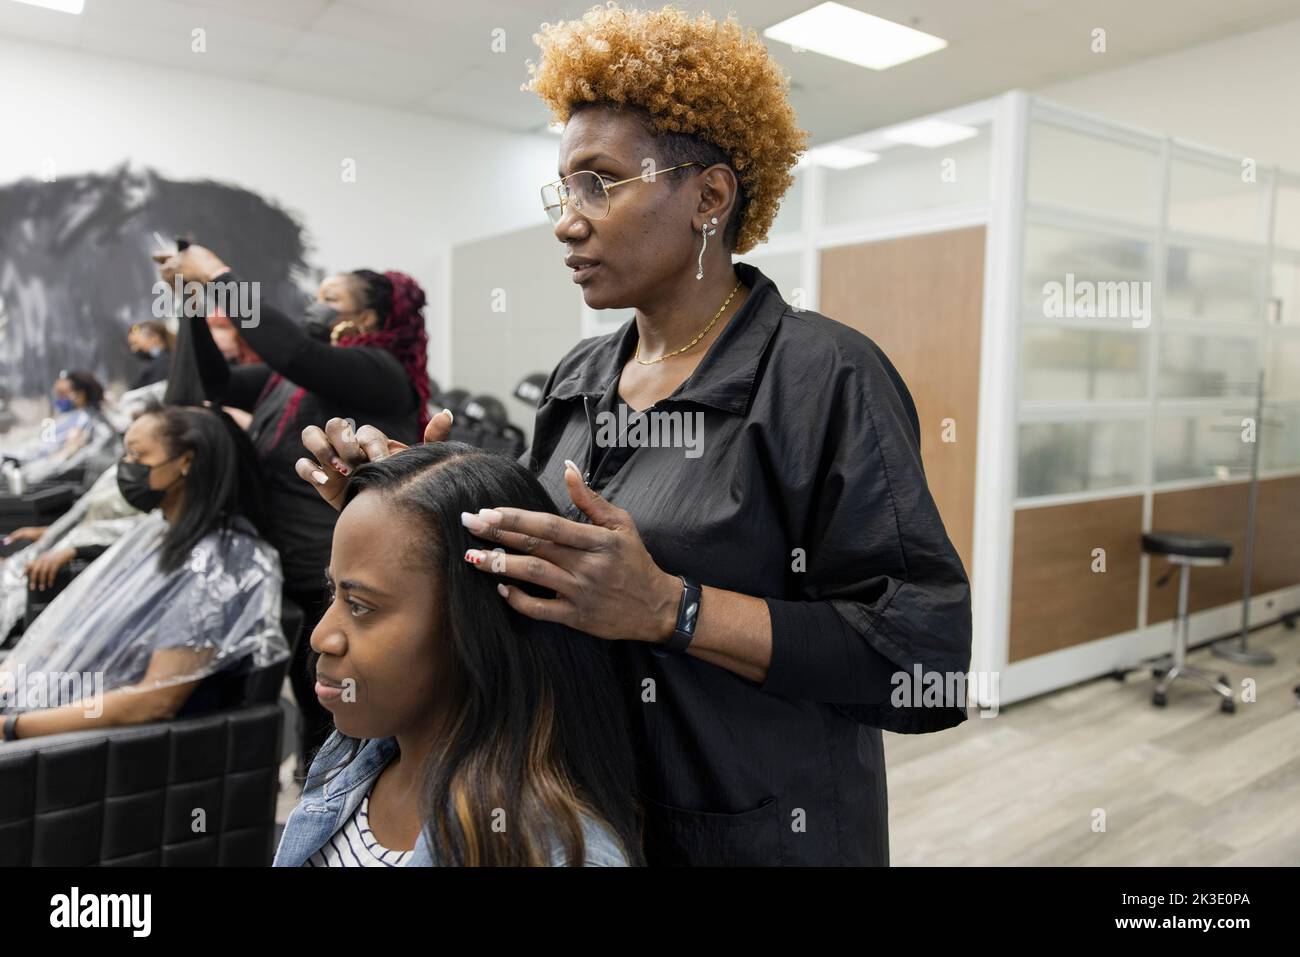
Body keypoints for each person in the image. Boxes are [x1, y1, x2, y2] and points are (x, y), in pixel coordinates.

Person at [298, 5, 972, 866]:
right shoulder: (580, 378)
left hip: (762, 837)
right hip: (593, 817)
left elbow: (928, 662)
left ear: (709, 197)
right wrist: (412, 500)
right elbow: (540, 585)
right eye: (562, 190)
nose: (566, 220)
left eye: (599, 183)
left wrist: (673, 609)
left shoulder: (823, 376)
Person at [273, 444, 639, 867]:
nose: (321, 637)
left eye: (361, 606)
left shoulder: (553, 855)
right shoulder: (351, 761)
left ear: (476, 628)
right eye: (334, 592)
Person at [150, 248, 433, 772]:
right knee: (311, 700)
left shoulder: (378, 371)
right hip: (290, 568)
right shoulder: (288, 380)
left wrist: (218, 274)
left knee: (336, 706)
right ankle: (317, 789)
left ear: (366, 318)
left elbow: (295, 351)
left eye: (331, 297)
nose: (315, 304)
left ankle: (340, 800)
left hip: (334, 572)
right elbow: (212, 383)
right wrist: (192, 302)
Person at [0, 405, 287, 741]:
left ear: (186, 461)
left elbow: (156, 700)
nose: (125, 467)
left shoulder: (214, 570)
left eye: (137, 455)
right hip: (61, 703)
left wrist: (12, 728)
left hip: (99, 750)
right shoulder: (156, 532)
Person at [9, 370, 118, 485]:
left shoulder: (89, 423)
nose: (58, 399)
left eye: (62, 394)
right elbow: (43, 446)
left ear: (80, 395)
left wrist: (29, 474)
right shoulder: (65, 419)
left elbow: (66, 460)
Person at [126, 319, 174, 390]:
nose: (134, 349)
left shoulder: (163, 364)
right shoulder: (156, 364)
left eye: (135, 343)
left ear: (153, 337)